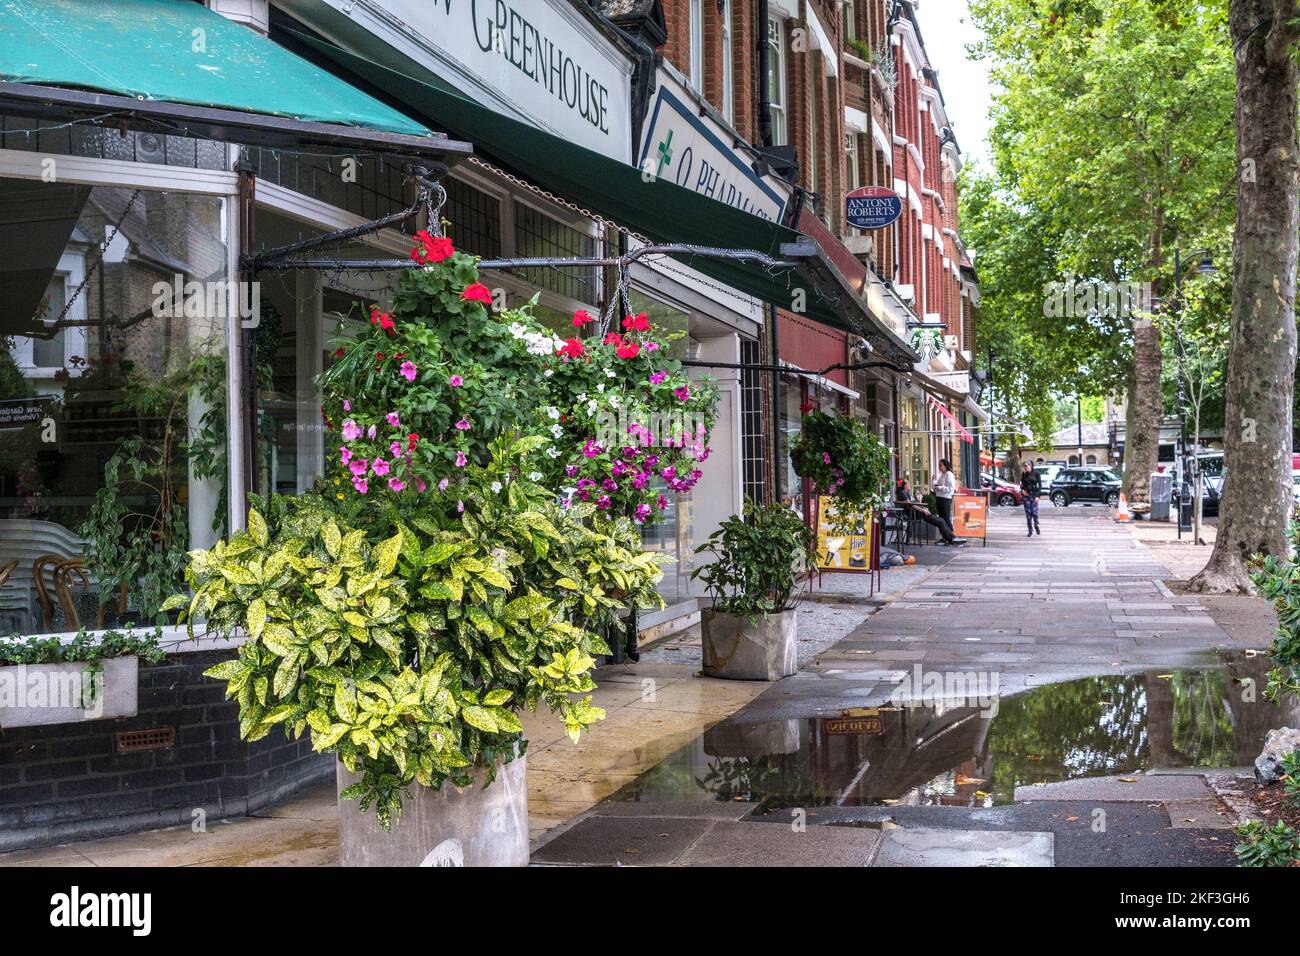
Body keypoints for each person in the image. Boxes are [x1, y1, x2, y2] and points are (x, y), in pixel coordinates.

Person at [895, 478, 964, 545]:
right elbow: (911, 505)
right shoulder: (902, 493)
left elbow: (913, 504)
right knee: (940, 521)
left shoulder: (904, 493)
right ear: (904, 485)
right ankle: (951, 539)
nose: (909, 484)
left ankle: (951, 538)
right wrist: (923, 510)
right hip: (914, 514)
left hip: (915, 513)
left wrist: (923, 508)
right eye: (908, 483)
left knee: (940, 521)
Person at [931, 459, 957, 528]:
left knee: (946, 518)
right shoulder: (941, 475)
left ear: (945, 466)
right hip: (939, 497)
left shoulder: (949, 474)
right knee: (941, 519)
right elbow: (935, 487)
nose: (939, 467)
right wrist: (933, 481)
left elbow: (951, 488)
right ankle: (944, 536)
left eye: (940, 465)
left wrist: (941, 488)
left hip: (945, 498)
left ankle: (951, 535)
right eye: (939, 465)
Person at [1019, 461, 1042, 537]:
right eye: (1024, 466)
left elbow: (1040, 485)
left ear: (1031, 466)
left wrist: (1038, 496)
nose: (1025, 467)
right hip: (1026, 496)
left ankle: (1036, 525)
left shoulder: (1036, 473)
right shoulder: (1024, 474)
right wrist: (1022, 491)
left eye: (1026, 466)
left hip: (1034, 495)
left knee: (1034, 512)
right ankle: (1030, 531)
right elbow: (1021, 484)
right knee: (1028, 514)